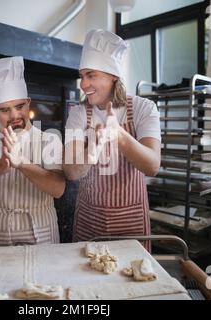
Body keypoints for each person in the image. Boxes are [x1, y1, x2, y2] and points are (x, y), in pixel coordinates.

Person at [63, 30, 161, 251]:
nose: (83, 84)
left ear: (113, 76)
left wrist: (118, 134)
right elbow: (70, 172)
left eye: (91, 75)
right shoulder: (79, 114)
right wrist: (94, 146)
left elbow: (153, 165)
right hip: (89, 220)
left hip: (131, 222)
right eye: (82, 76)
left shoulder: (143, 109)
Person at [0, 56, 65, 247]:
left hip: (41, 234)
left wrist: (21, 162)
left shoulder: (50, 140)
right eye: (5, 110)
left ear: (28, 102)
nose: (15, 115)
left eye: (19, 106)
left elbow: (58, 189)